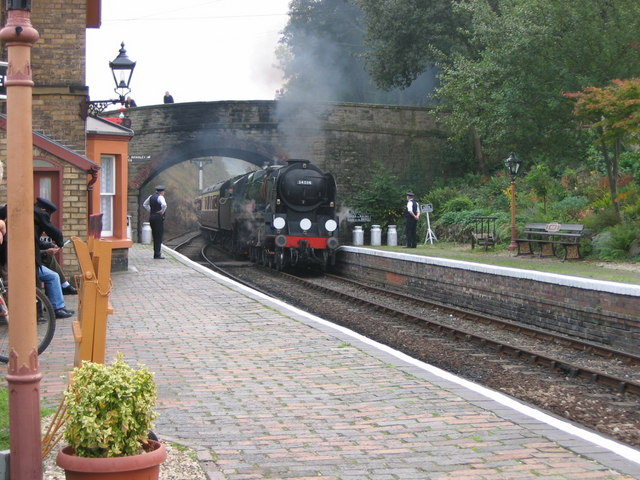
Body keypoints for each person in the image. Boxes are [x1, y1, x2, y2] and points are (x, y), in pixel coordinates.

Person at [33, 198, 75, 317]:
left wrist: (48, 245)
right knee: (52, 276)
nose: (48, 217)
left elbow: (34, 240)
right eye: (48, 214)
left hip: (30, 259)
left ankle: (58, 305)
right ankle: (56, 308)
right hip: (28, 263)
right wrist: (60, 243)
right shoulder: (38, 214)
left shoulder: (33, 215)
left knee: (52, 274)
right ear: (43, 209)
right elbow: (54, 231)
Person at [143, 185, 168, 259]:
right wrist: (162, 212)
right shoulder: (160, 197)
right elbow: (164, 205)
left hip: (151, 217)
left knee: (154, 235)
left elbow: (145, 204)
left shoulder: (151, 196)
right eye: (163, 192)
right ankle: (157, 254)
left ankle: (156, 253)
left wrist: (151, 211)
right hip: (158, 218)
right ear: (162, 192)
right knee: (158, 235)